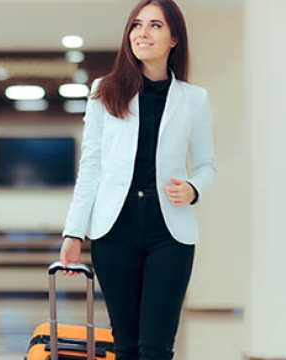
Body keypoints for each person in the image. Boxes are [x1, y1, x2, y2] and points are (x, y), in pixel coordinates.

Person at [59, 0, 217, 359]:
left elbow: (208, 165)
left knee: (156, 348)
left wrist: (193, 189)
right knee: (126, 346)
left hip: (170, 234)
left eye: (155, 26)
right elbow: (91, 168)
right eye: (136, 25)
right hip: (114, 231)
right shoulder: (104, 91)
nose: (142, 33)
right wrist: (73, 232)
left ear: (174, 38)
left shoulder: (194, 99)